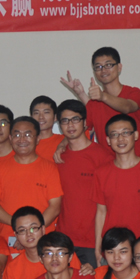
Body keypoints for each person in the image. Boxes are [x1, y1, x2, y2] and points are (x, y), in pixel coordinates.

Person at [90, 114, 140, 265]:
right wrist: (97, 247)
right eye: (114, 135)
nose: (120, 139)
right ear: (108, 140)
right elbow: (101, 212)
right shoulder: (101, 173)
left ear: (136, 135)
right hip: (114, 248)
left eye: (125, 133)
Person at [61, 46, 140, 158]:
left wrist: (103, 96)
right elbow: (77, 129)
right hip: (111, 165)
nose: (103, 70)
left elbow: (127, 107)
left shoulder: (135, 93)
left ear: (119, 67)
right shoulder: (94, 104)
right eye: (98, 67)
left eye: (108, 65)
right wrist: (62, 144)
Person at [53, 99, 111, 267]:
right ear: (60, 125)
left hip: (93, 242)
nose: (70, 125)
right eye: (65, 121)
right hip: (64, 240)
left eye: (75, 119)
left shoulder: (103, 156)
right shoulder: (59, 157)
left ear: (85, 122)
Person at [0, 116, 62, 231]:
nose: (22, 140)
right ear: (10, 138)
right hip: (9, 235)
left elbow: (55, 206)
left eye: (27, 135)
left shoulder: (50, 168)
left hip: (41, 236)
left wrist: (33, 230)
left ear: (38, 139)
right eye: (17, 135)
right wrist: (18, 227)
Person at [30, 95, 65, 161]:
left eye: (46, 112)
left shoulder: (64, 141)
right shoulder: (25, 142)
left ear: (55, 117)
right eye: (36, 113)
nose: (41, 117)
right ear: (31, 117)